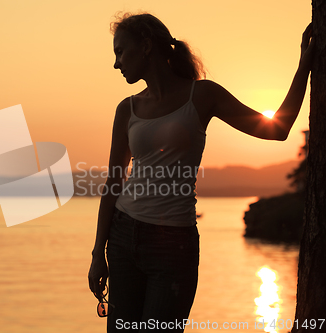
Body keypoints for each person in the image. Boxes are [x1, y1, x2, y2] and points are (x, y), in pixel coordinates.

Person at [88, 12, 314, 332]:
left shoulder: (203, 95)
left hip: (173, 245)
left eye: (120, 51)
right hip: (124, 237)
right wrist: (99, 253)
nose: (116, 63)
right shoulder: (127, 109)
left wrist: (305, 64)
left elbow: (277, 129)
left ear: (147, 46)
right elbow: (113, 183)